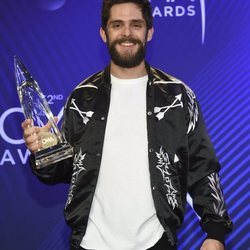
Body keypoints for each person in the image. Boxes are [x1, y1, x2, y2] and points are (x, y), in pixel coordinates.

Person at [21, 0, 233, 249]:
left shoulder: (177, 96)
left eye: (136, 24)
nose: (127, 34)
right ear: (104, 33)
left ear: (149, 32)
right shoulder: (82, 97)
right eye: (117, 25)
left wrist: (215, 232)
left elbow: (202, 166)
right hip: (90, 244)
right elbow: (63, 171)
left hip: (156, 242)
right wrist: (44, 151)